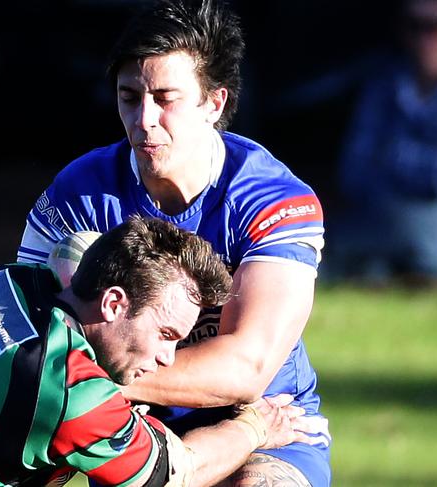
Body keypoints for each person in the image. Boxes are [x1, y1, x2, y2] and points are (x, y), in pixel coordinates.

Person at [17, 1, 330, 485]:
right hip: (122, 422)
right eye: (129, 96)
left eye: (166, 98)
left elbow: (247, 367)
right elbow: (25, 338)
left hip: (265, 422)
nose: (145, 119)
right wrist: (75, 392)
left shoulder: (275, 201)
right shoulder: (78, 195)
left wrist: (82, 383)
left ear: (214, 103)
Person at [0, 216, 319, 487]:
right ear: (114, 301)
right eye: (165, 333)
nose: (167, 357)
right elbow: (177, 473)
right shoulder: (70, 391)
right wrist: (256, 426)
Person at [329, 0, 437, 281]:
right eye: (415, 27)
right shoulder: (384, 84)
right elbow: (354, 172)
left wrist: (394, 158)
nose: (426, 39)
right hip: (381, 217)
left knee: (423, 231)